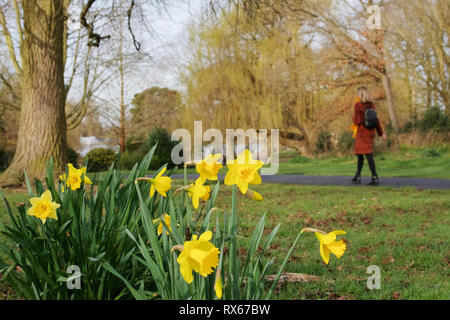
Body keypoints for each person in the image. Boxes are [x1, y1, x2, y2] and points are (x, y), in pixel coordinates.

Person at [351, 87, 387, 186]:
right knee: (364, 154)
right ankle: (358, 175)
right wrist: (381, 133)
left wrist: (354, 117)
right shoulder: (372, 106)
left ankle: (374, 177)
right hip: (370, 132)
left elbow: (357, 121)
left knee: (363, 155)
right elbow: (376, 121)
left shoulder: (357, 106)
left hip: (362, 133)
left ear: (360, 94)